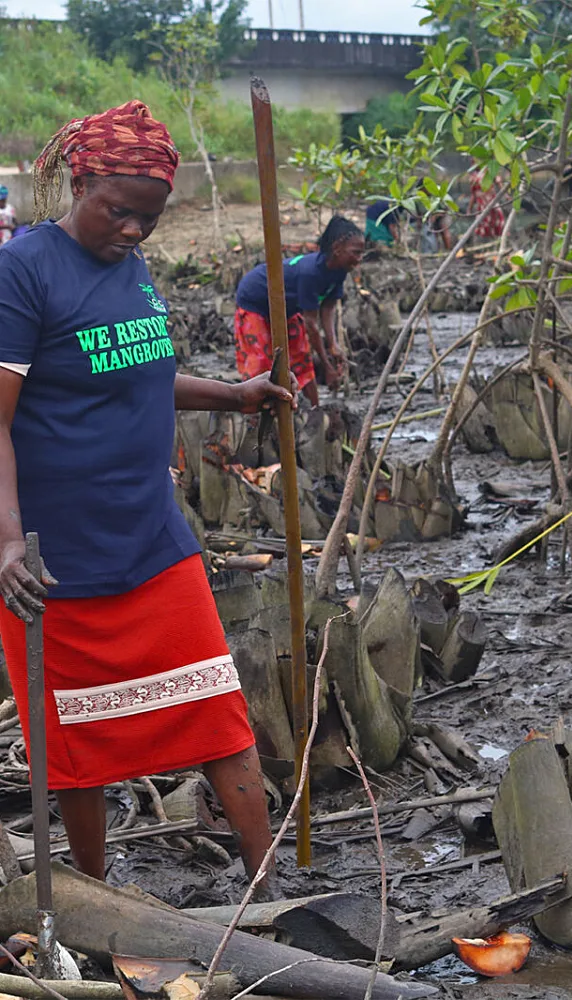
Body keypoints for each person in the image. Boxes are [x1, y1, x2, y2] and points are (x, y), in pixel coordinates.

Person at [0, 101, 290, 895]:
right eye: (118, 211)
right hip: (53, 558)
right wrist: (9, 541)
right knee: (78, 746)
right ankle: (95, 897)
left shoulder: (131, 268)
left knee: (218, 714)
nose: (132, 231)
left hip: (152, 537)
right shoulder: (24, 269)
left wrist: (235, 396)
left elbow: (141, 373)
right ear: (80, 181)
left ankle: (269, 887)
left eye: (149, 220)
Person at [234, 216, 363, 406]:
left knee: (300, 359)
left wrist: (333, 345)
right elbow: (311, 322)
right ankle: (259, 417)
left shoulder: (339, 271)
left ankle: (315, 411)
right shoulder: (310, 273)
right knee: (261, 365)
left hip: (286, 308)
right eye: (356, 252)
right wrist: (327, 366)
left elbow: (327, 308)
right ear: (337, 249)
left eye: (362, 253)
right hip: (255, 303)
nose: (359, 259)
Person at [468, 168, 505, 240]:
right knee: (483, 223)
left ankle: (499, 240)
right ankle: (488, 241)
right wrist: (469, 209)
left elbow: (499, 184)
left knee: (498, 219)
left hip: (492, 201)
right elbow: (473, 194)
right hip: (482, 203)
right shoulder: (473, 176)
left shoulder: (491, 171)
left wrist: (506, 194)